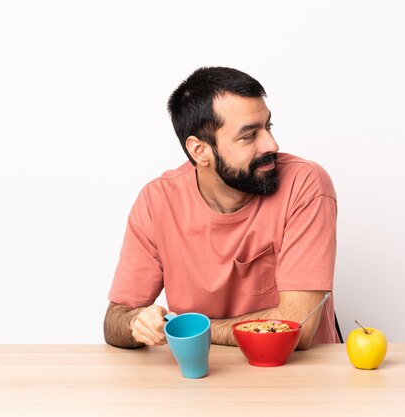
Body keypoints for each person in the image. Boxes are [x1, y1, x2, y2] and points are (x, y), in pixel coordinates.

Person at [104, 66, 339, 350]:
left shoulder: (305, 184)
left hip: (299, 377)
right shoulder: (157, 201)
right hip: (200, 378)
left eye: (268, 127)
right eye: (249, 136)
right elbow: (114, 321)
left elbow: (296, 326)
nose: (271, 144)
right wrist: (135, 323)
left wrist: (190, 329)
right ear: (200, 151)